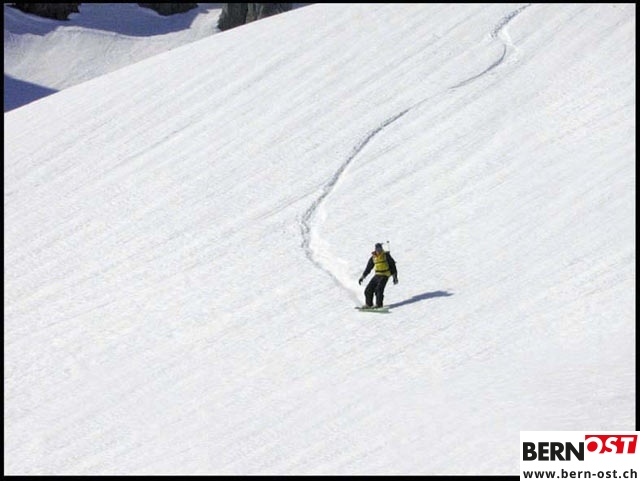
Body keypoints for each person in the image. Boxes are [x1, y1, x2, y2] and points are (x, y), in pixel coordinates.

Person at [358, 243, 398, 308]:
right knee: (368, 290)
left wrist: (395, 277)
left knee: (379, 289)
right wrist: (362, 277)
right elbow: (368, 268)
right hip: (377, 275)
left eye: (380, 249)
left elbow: (393, 266)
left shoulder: (386, 255)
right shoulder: (373, 257)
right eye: (377, 249)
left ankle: (379, 305)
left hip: (385, 275)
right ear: (375, 249)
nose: (379, 250)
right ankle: (369, 304)